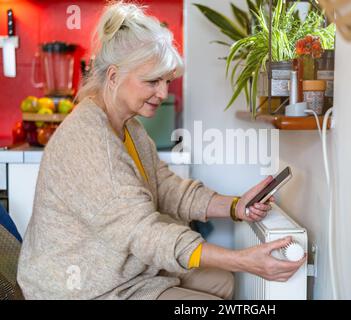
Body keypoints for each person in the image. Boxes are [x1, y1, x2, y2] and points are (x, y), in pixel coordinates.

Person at [17, 1, 306, 300]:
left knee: (224, 282)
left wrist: (235, 206)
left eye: (167, 81)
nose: (164, 93)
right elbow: (145, 234)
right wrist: (244, 259)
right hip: (84, 288)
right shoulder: (90, 142)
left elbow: (168, 189)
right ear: (114, 76)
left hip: (123, 268)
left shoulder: (129, 128)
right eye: (153, 81)